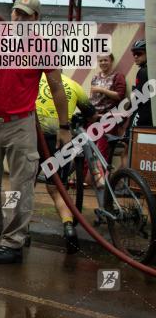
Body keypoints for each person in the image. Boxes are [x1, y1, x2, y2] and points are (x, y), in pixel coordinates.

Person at [0, 0, 70, 265]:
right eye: (16, 13)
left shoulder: (43, 47)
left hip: (21, 125)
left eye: (26, 15)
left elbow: (56, 87)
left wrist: (64, 127)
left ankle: (14, 242)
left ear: (36, 19)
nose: (19, 18)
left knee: (20, 185)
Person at [35, 72, 96, 254]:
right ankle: (69, 228)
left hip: (35, 135)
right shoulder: (73, 85)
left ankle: (20, 234)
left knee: (25, 184)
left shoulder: (35, 80)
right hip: (62, 138)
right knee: (56, 188)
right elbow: (92, 115)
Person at [89, 52, 126, 161]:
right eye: (101, 60)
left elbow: (119, 95)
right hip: (94, 118)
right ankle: (88, 177)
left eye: (106, 60)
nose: (103, 62)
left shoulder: (117, 76)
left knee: (102, 151)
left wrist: (102, 90)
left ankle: (104, 177)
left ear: (111, 61)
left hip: (108, 119)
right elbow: (92, 97)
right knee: (88, 149)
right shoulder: (95, 77)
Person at [131, 39, 152, 128]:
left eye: (139, 54)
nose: (135, 56)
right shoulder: (150, 70)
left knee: (131, 137)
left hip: (144, 113)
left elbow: (139, 97)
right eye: (134, 54)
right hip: (149, 113)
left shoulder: (143, 71)